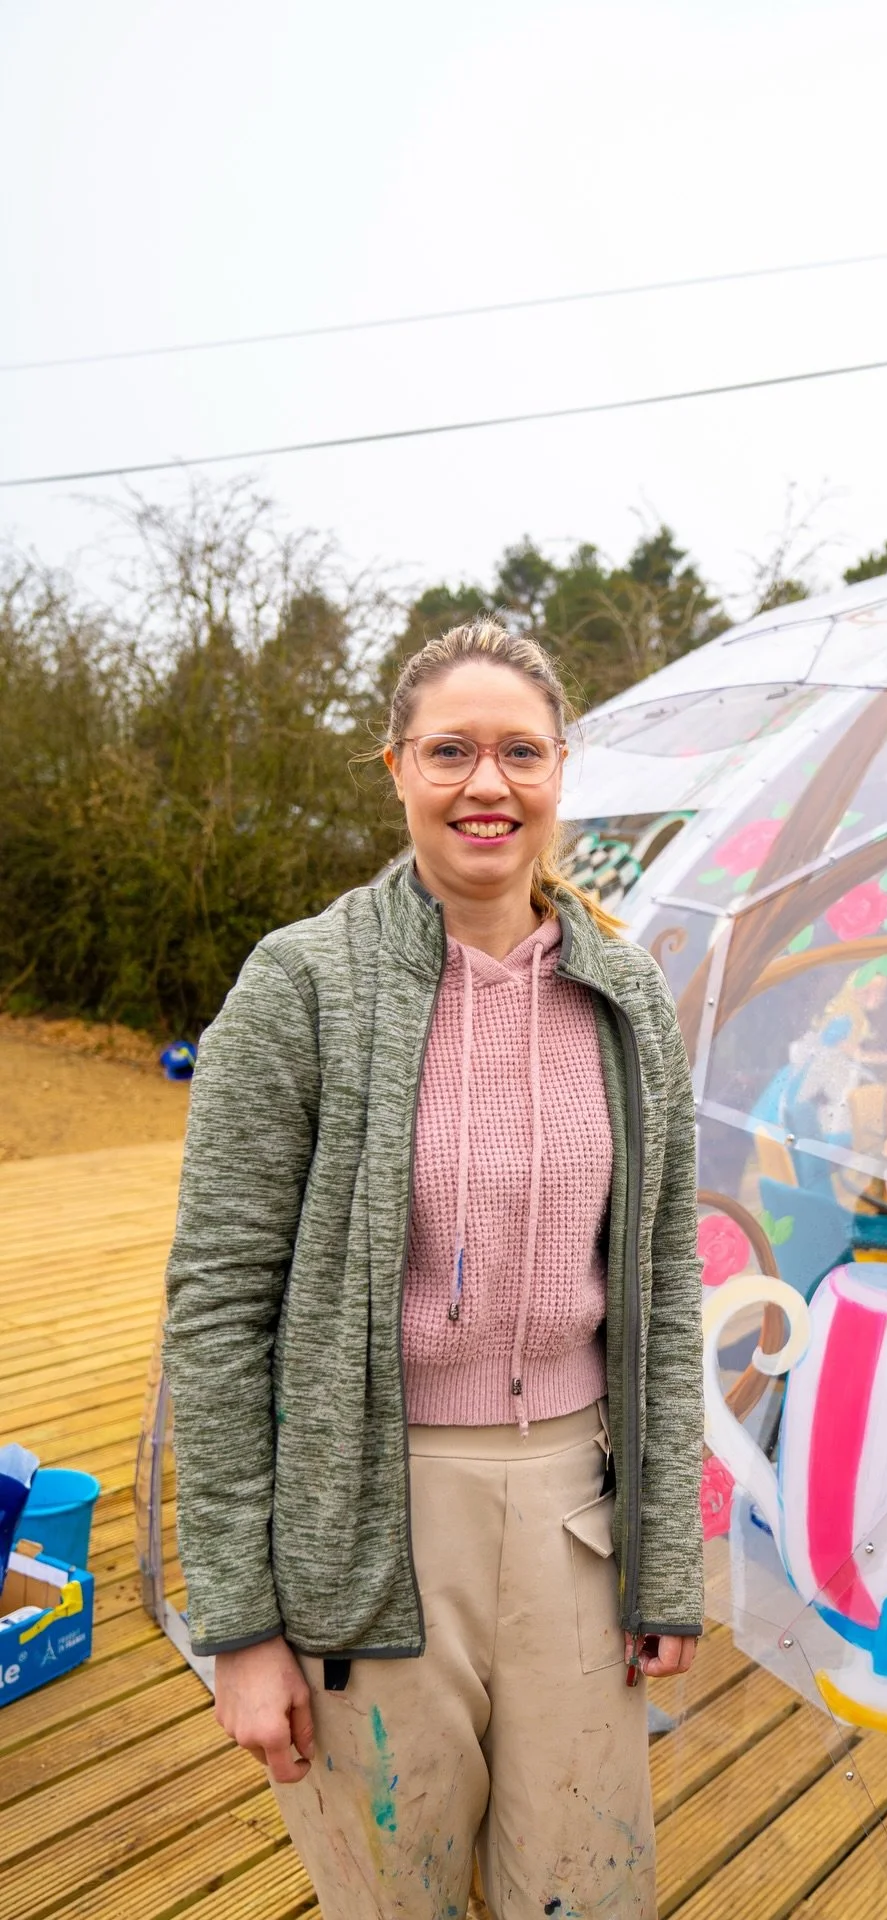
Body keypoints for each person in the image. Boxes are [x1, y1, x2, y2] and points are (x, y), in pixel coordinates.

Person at [164, 620, 704, 1920]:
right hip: (368, 1521)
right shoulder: (299, 987)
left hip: (577, 1517)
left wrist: (665, 1554)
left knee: (587, 1893)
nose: (487, 783)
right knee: (393, 1896)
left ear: (560, 769)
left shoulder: (627, 1000)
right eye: (451, 749)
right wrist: (240, 1628)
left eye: (519, 751)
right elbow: (220, 1310)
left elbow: (667, 1289)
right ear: (396, 764)